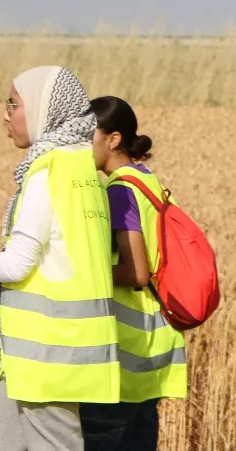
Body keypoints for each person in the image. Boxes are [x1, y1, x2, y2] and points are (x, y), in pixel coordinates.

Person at [0, 66, 119, 451]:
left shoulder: (47, 171)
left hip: (45, 353)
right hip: (47, 352)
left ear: (44, 110)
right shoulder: (83, 169)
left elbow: (18, 263)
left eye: (13, 104)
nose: (5, 114)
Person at [80, 96, 186, 451]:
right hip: (154, 344)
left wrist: (85, 273)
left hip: (124, 352)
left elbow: (138, 271)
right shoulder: (146, 181)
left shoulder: (120, 190)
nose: (81, 146)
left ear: (112, 139)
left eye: (87, 136)